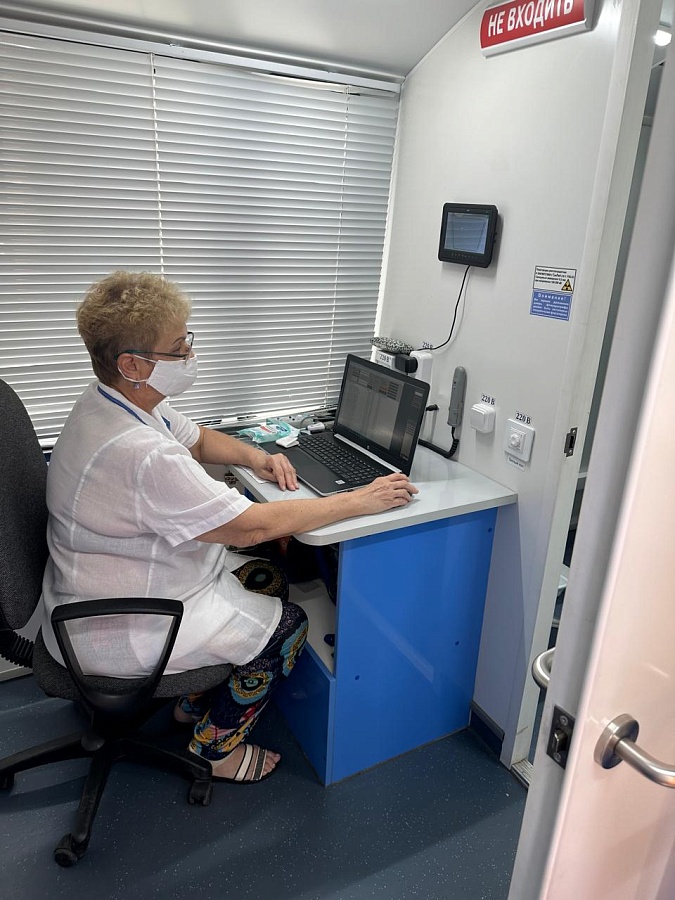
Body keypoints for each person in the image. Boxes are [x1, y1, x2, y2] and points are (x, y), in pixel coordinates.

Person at [41, 271, 418, 784]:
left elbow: (196, 440)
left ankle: (191, 702)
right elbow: (246, 528)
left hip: (103, 587)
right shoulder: (140, 454)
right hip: (126, 623)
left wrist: (257, 457)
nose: (190, 355)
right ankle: (214, 751)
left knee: (270, 576)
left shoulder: (113, 402)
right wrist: (357, 500)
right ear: (133, 364)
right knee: (289, 627)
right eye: (179, 348)